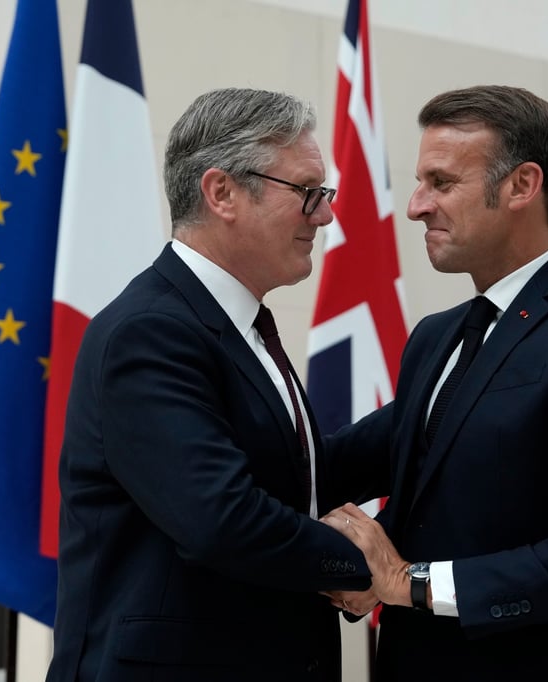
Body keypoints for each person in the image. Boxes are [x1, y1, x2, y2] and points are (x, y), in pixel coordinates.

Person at [322, 85, 548, 681]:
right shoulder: (435, 338)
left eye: (441, 182)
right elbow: (353, 471)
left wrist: (407, 583)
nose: (415, 206)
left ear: (521, 186)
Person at [46, 88, 385, 682]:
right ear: (222, 192)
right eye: (308, 192)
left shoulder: (240, 322)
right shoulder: (151, 330)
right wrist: (363, 565)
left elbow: (299, 475)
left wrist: (444, 404)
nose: (326, 215)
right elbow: (221, 518)